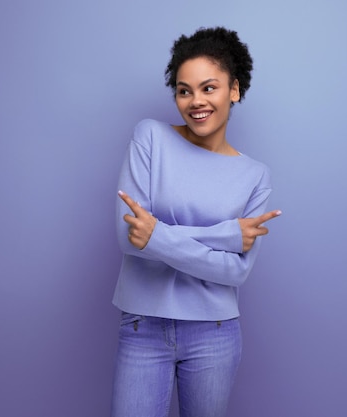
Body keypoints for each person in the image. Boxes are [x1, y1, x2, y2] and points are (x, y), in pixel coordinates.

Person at [111, 26, 281, 417]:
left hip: (215, 333)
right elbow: (127, 235)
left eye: (209, 88)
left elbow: (235, 272)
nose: (195, 101)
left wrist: (156, 236)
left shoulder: (255, 176)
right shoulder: (150, 137)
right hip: (143, 327)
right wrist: (224, 234)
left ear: (233, 90)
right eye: (184, 90)